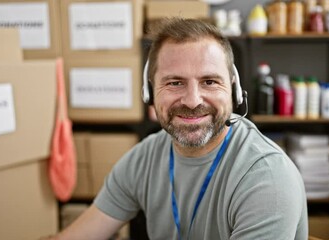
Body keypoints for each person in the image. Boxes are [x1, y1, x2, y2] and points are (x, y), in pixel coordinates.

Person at [49, 18, 308, 240]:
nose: (192, 100)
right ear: (149, 93)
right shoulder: (145, 158)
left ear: (234, 91)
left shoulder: (266, 178)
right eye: (174, 83)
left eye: (209, 81)